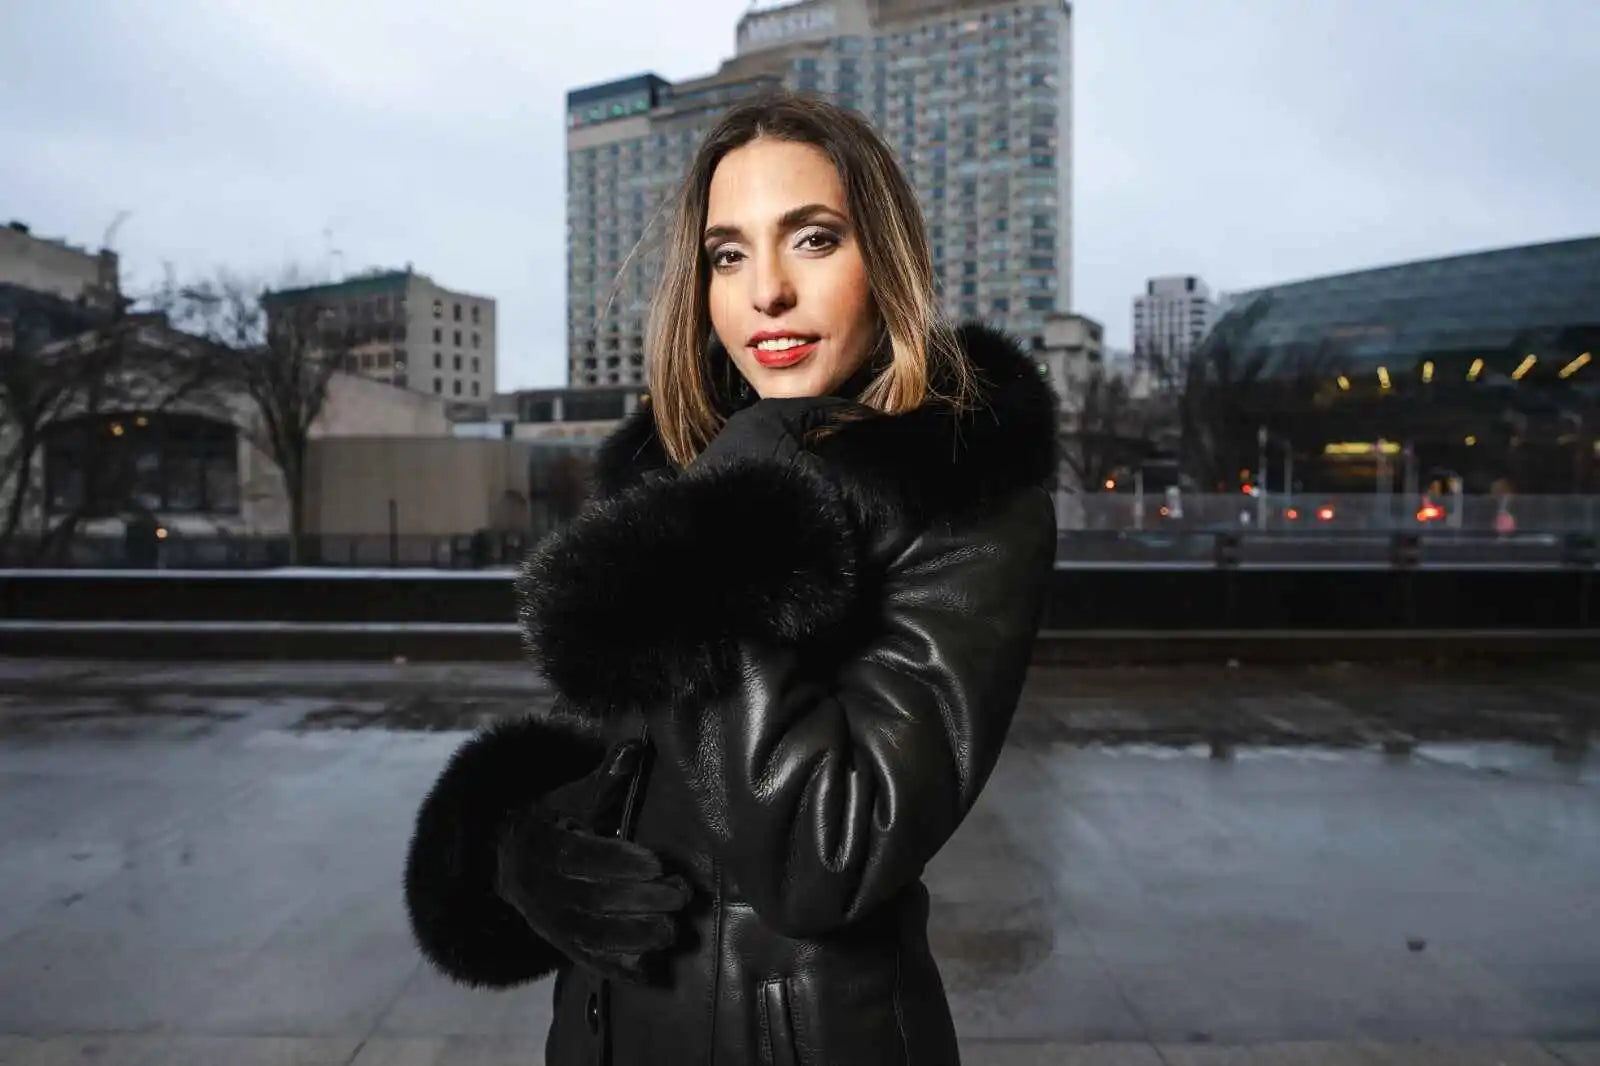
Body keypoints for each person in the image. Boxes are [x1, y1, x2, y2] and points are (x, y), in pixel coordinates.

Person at [402, 92, 1058, 1066]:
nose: (768, 293)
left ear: (885, 259)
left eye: (814, 239)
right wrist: (516, 846)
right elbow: (633, 760)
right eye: (728, 255)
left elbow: (824, 858)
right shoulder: (679, 470)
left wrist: (733, 518)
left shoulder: (964, 494)